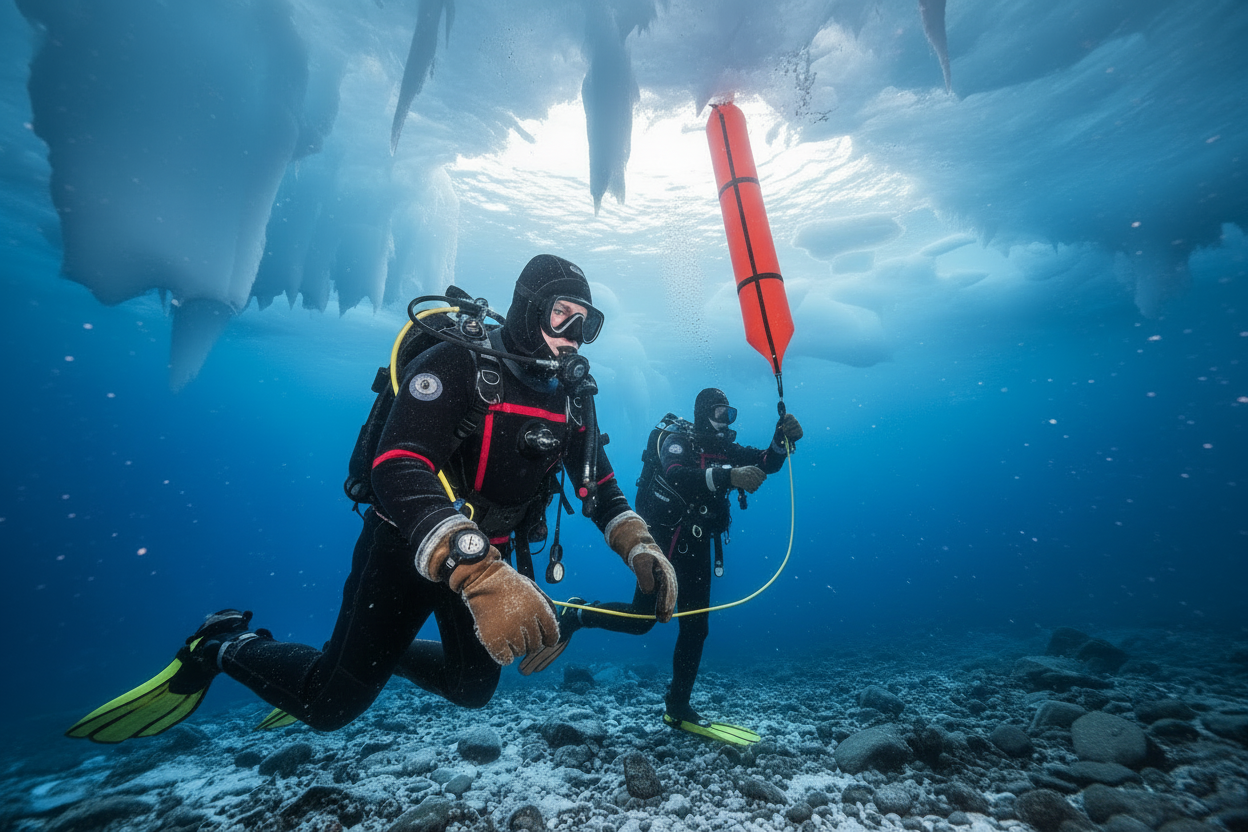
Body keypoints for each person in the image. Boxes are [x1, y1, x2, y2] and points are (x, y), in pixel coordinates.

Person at [66, 254, 677, 742]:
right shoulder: (456, 363)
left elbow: (596, 485)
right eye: (561, 315)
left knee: (472, 688)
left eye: (586, 323)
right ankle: (223, 644)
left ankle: (370, 652)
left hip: (487, 561)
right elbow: (398, 464)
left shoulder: (575, 396)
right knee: (328, 706)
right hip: (405, 545)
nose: (573, 336)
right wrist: (478, 570)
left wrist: (639, 544)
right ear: (526, 308)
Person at [520, 387, 802, 730]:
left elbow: (765, 463)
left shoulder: (724, 447)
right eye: (720, 414)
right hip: (663, 543)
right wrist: (729, 475)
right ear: (703, 415)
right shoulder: (676, 441)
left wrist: (779, 439)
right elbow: (676, 474)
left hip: (698, 546)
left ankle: (678, 706)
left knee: (696, 629)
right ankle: (579, 613)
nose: (725, 422)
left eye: (731, 415)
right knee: (642, 620)